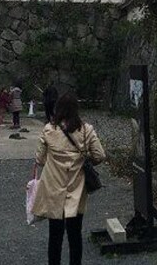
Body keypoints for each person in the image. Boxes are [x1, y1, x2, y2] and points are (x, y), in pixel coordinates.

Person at [32, 92, 106, 265]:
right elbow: (100, 155)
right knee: (75, 234)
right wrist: (85, 161)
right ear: (75, 109)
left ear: (58, 109)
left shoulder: (49, 130)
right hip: (76, 187)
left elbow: (40, 159)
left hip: (53, 187)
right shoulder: (86, 130)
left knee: (55, 235)